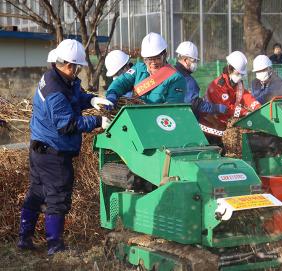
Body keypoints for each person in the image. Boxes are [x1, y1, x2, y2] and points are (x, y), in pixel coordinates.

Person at [18, 39, 113, 255]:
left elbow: (76, 98)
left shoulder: (58, 78)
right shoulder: (55, 90)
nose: (78, 71)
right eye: (77, 67)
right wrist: (98, 122)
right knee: (57, 198)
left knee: (37, 192)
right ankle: (55, 246)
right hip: (53, 153)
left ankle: (24, 239)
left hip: (40, 150)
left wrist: (91, 100)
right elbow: (67, 124)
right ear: (70, 65)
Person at [106, 32, 186, 105]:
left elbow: (173, 107)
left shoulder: (176, 78)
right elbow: (122, 82)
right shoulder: (138, 69)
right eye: (149, 59)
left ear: (165, 55)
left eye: (157, 58)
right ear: (144, 59)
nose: (153, 63)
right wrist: (112, 93)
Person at [199, 51, 261, 145]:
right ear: (230, 68)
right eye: (238, 73)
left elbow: (245, 96)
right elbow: (227, 109)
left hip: (224, 124)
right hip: (211, 127)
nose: (240, 77)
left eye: (241, 74)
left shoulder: (237, 83)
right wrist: (245, 112)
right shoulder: (218, 86)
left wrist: (257, 107)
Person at [174, 41, 227, 117]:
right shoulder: (187, 80)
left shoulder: (172, 72)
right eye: (194, 61)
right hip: (185, 119)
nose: (195, 63)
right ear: (185, 60)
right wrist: (216, 108)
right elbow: (195, 104)